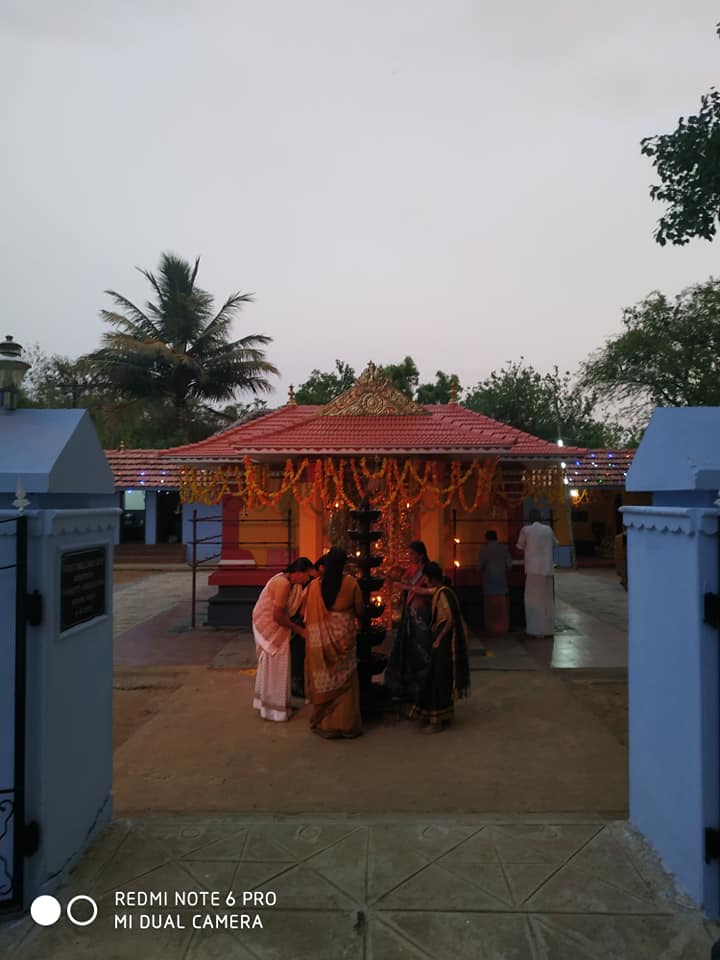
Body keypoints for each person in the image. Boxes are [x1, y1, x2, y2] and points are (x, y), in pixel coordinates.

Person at [303, 546, 364, 739]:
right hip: (345, 638)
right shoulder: (351, 583)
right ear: (345, 563)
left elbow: (306, 613)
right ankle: (347, 726)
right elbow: (360, 609)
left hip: (322, 641)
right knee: (346, 681)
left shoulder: (314, 586)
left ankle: (327, 725)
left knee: (326, 680)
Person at [409, 562, 471, 733]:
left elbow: (450, 619)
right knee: (438, 678)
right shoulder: (441, 590)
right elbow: (424, 591)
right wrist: (407, 586)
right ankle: (443, 716)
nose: (425, 582)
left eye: (426, 579)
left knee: (438, 679)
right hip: (441, 641)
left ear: (430, 578)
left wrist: (438, 640)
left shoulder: (443, 594)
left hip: (445, 643)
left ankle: (437, 721)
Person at [252, 557, 315, 721]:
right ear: (299, 573)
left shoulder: (288, 581)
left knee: (275, 666)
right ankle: (274, 710)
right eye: (307, 577)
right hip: (269, 626)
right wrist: (299, 630)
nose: (308, 580)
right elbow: (278, 616)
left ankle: (272, 703)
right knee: (276, 666)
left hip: (271, 624)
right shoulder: (284, 584)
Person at [383, 540, 433, 701]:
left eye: (412, 554)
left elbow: (431, 590)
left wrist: (411, 587)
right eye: (409, 553)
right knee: (407, 647)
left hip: (421, 613)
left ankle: (424, 686)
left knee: (421, 648)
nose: (409, 556)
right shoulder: (411, 569)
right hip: (409, 612)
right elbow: (404, 582)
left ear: (421, 555)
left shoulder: (427, 570)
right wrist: (396, 580)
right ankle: (405, 687)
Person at [289, 555, 328, 698]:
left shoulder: (314, 581)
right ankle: (296, 683)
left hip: (305, 620)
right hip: (299, 622)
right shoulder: (309, 581)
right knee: (298, 652)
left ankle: (300, 682)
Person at [516, 510, 559, 638]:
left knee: (532, 600)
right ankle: (548, 630)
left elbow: (520, 546)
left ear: (529, 518)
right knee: (547, 600)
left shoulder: (526, 530)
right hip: (547, 569)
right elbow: (556, 543)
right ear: (541, 517)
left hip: (533, 570)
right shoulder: (548, 529)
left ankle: (534, 630)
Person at [478, 530, 512, 636]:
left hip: (488, 585)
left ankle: (491, 629)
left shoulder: (483, 550)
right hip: (502, 584)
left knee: (490, 611)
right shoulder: (504, 548)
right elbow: (509, 564)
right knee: (502, 610)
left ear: (486, 538)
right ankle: (503, 628)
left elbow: (479, 567)